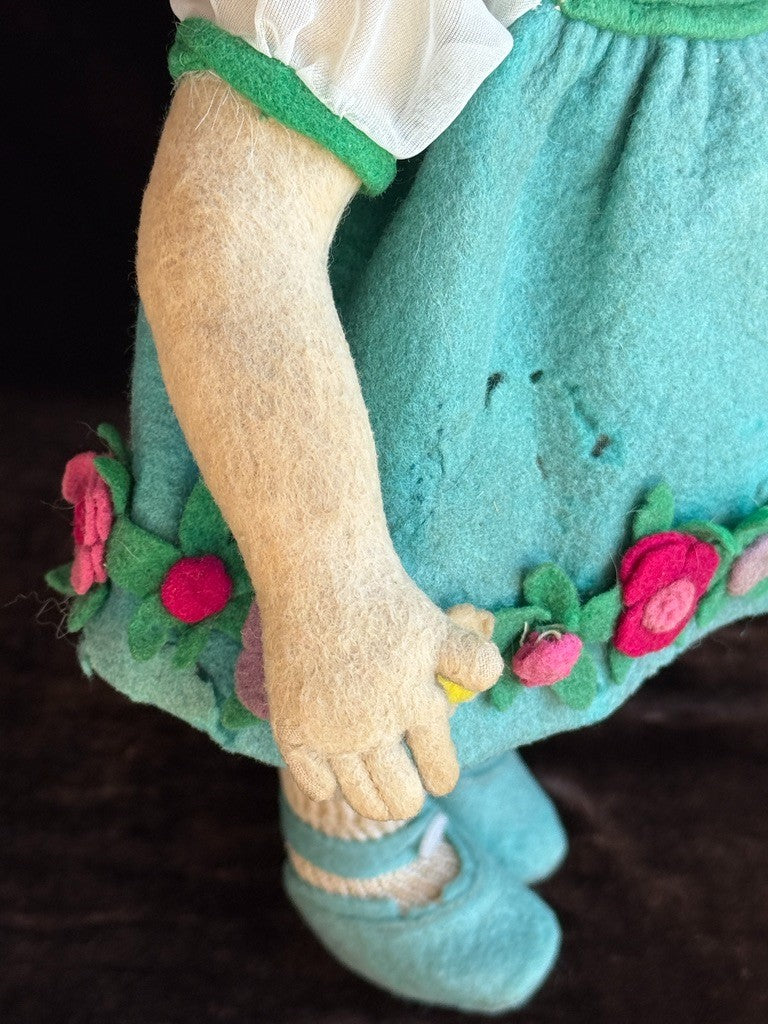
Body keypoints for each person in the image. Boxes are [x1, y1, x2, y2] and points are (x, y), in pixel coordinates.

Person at [49, 0, 768, 1011]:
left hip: (625, 325)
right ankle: (351, 825)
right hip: (429, 353)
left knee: (526, 539)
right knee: (400, 574)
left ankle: (463, 734)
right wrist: (331, 588)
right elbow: (232, 226)